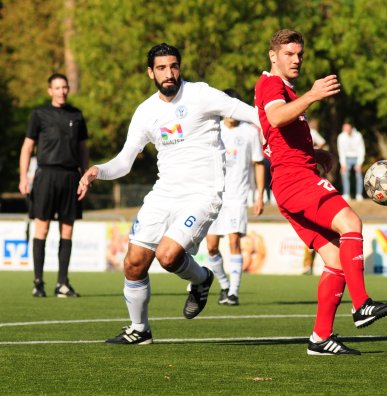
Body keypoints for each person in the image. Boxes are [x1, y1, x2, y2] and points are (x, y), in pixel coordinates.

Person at [77, 43, 260, 345]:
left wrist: (282, 142)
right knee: (133, 263)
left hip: (203, 194)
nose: (169, 73)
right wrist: (98, 170)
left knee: (167, 256)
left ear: (180, 67)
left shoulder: (201, 94)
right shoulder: (146, 111)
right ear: (151, 72)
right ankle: (140, 329)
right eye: (161, 68)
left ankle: (201, 280)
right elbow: (124, 162)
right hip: (164, 194)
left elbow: (253, 115)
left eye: (173, 66)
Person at [254, 29, 387, 356]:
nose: (296, 60)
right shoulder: (272, 85)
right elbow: (276, 118)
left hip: (291, 179)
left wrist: (315, 154)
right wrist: (312, 95)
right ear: (273, 56)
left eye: (300, 54)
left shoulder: (284, 90)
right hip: (294, 180)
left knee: (334, 258)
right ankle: (361, 305)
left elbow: (275, 134)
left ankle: (320, 337)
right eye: (289, 54)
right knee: (351, 222)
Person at [19, 73, 89, 298]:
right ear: (50, 90)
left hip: (70, 177)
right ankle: (38, 282)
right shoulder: (39, 114)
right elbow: (27, 147)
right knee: (42, 228)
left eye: (64, 87)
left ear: (68, 89)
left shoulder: (77, 115)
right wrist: (23, 177)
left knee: (67, 230)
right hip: (46, 176)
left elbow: (83, 150)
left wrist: (85, 177)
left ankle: (62, 284)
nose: (62, 91)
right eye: (57, 87)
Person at [205, 88, 265, 306]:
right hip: (214, 197)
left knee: (233, 241)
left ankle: (234, 292)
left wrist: (259, 196)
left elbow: (258, 164)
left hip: (237, 198)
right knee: (211, 246)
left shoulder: (249, 132)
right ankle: (223, 285)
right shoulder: (212, 129)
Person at [337, 122, 365, 201]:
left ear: (351, 128)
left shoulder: (358, 135)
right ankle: (346, 194)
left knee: (359, 175)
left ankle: (359, 194)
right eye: (344, 129)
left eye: (347, 128)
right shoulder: (341, 137)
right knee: (345, 174)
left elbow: (361, 149)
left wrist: (359, 163)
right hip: (346, 158)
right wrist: (343, 164)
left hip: (357, 157)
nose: (346, 130)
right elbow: (341, 151)